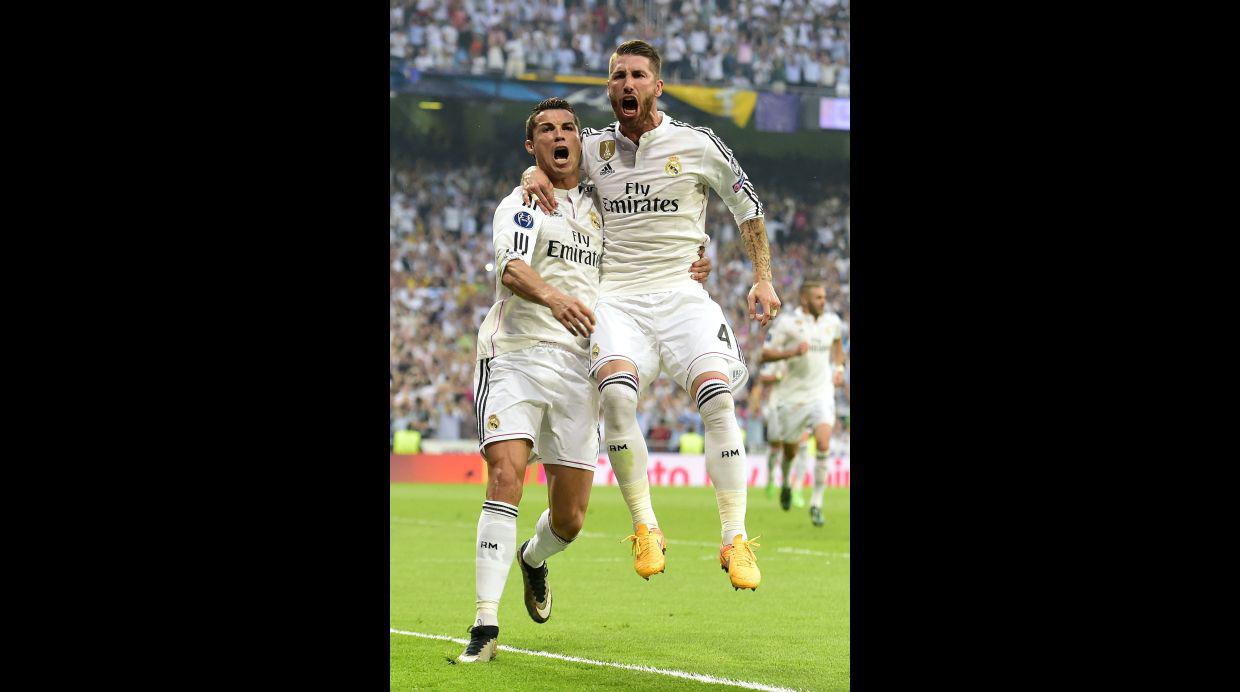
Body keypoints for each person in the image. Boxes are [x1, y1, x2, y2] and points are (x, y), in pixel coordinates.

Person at [461, 97, 713, 662]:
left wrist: (692, 264)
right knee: (505, 473)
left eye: (568, 128)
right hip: (518, 354)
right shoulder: (524, 201)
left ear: (581, 139)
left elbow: (658, 238)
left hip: (581, 366)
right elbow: (512, 267)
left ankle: (533, 558)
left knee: (571, 519)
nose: (559, 136)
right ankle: (484, 627)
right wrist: (555, 298)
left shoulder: (605, 205)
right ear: (532, 147)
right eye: (545, 131)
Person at [522, 39, 780, 591]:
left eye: (638, 75)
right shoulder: (593, 148)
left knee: (716, 393)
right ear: (609, 89)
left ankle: (735, 538)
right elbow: (550, 159)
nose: (627, 84)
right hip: (616, 296)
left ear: (657, 86)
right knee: (616, 394)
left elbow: (748, 209)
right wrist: (531, 176)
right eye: (618, 77)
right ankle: (645, 526)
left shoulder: (697, 142)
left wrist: (762, 278)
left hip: (681, 294)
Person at [760, 280, 846, 527]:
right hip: (792, 398)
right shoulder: (787, 324)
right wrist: (792, 352)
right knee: (790, 452)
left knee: (823, 443)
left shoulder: (832, 322)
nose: (823, 301)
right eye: (818, 297)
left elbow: (838, 344)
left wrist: (839, 367)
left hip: (822, 394)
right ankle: (786, 483)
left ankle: (816, 504)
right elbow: (765, 354)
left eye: (824, 296)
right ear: (805, 300)